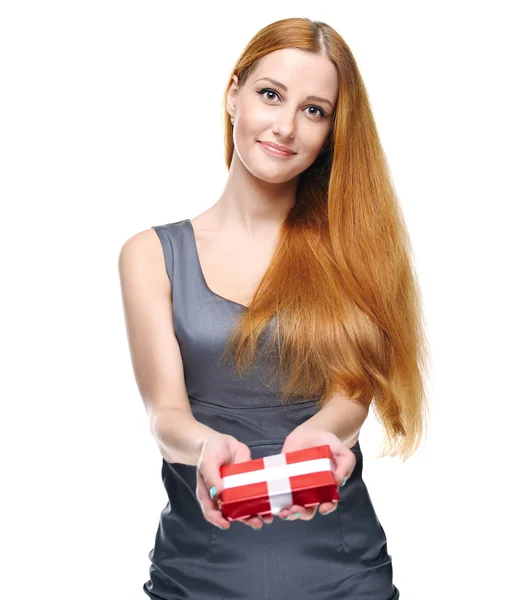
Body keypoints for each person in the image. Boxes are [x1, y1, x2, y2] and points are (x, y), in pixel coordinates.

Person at [119, 16, 429, 600]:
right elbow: (165, 416)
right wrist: (207, 447)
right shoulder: (151, 255)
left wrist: (317, 437)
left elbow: (351, 397)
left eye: (314, 110)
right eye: (270, 95)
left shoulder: (351, 251)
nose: (285, 126)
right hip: (196, 577)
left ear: (332, 132)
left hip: (344, 577)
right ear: (234, 95)